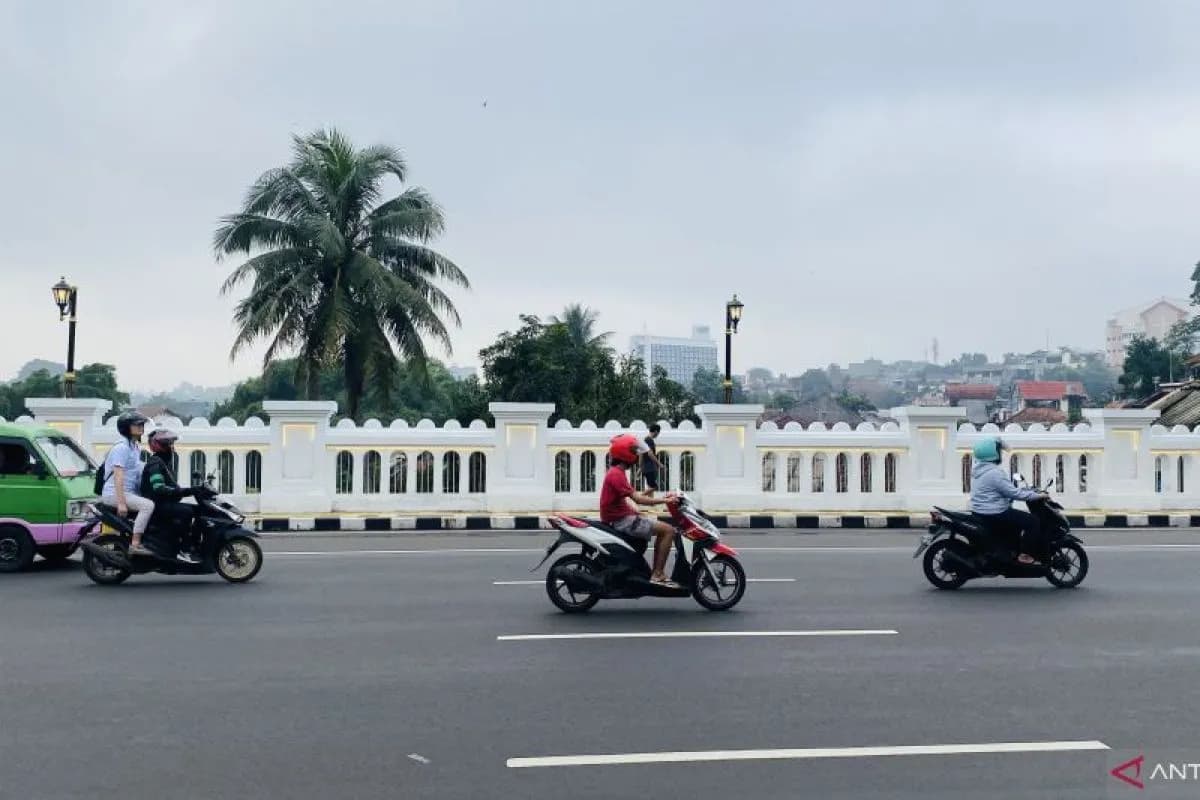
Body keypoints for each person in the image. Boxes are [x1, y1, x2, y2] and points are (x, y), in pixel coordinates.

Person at [601, 433, 677, 587]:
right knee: (668, 530)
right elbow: (638, 499)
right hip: (622, 522)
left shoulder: (617, 472)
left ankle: (652, 572)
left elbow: (622, 501)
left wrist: (636, 512)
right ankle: (657, 574)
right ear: (625, 454)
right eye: (634, 451)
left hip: (622, 518)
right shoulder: (616, 474)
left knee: (660, 527)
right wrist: (664, 500)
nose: (636, 455)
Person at [969, 437, 1049, 565]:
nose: (1000, 453)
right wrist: (1038, 495)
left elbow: (1002, 491)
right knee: (1032, 521)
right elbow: (1014, 493)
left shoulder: (979, 470)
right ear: (993, 454)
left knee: (1015, 523)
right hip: (994, 512)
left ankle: (1010, 551)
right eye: (998, 451)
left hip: (981, 511)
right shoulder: (994, 473)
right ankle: (1025, 554)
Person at [140, 429, 200, 564]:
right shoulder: (155, 463)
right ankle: (183, 550)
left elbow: (170, 487)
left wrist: (192, 490)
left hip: (162, 503)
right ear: (158, 446)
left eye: (171, 444)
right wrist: (187, 491)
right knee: (187, 512)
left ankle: (193, 545)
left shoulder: (162, 462)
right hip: (157, 504)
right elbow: (159, 488)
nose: (171, 448)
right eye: (167, 444)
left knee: (198, 510)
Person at [101, 411, 155, 556]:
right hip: (115, 493)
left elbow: (138, 470)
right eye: (137, 424)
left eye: (142, 424)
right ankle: (135, 544)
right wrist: (121, 503)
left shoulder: (134, 447)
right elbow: (118, 476)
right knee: (148, 506)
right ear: (126, 427)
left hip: (128, 491)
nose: (141, 427)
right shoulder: (122, 448)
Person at [640, 424, 665, 496]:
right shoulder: (649, 440)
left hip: (646, 467)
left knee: (650, 486)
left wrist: (640, 467)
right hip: (649, 467)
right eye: (658, 433)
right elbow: (650, 454)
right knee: (654, 486)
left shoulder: (645, 440)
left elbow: (641, 454)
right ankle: (638, 497)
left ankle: (650, 503)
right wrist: (659, 464)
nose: (658, 435)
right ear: (656, 431)